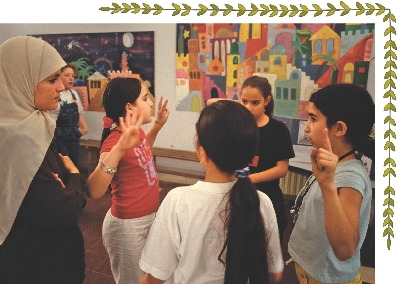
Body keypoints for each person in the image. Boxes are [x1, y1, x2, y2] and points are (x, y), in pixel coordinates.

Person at [139, 100, 284, 284]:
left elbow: (155, 277)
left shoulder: (178, 201)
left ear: (202, 153)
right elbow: (275, 273)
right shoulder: (261, 202)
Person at [0, 36, 87, 283]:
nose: (61, 87)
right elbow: (64, 210)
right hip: (36, 263)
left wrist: (64, 188)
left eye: (61, 77)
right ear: (21, 81)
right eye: (52, 79)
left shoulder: (36, 125)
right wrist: (74, 178)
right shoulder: (20, 139)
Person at [85, 77, 170, 284]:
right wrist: (120, 148)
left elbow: (141, 149)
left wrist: (157, 125)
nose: (150, 102)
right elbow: (93, 190)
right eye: (145, 98)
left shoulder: (136, 132)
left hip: (148, 217)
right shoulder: (115, 141)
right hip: (127, 226)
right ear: (129, 106)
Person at [288, 83, 375, 283]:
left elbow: (345, 249)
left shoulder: (350, 176)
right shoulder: (334, 162)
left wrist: (327, 186)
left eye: (313, 118)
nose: (307, 127)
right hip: (312, 270)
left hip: (326, 277)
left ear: (339, 128)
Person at [208, 75, 295, 243]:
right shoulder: (238, 125)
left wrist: (248, 179)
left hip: (267, 196)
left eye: (255, 103)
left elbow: (282, 169)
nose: (249, 108)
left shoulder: (278, 130)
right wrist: (242, 105)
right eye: (244, 101)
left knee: (267, 246)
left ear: (267, 100)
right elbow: (212, 103)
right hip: (239, 197)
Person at [49, 63, 89, 165]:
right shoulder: (55, 94)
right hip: (59, 140)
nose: (71, 79)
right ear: (58, 77)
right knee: (63, 165)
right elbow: (50, 119)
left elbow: (78, 114)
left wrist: (84, 129)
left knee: (75, 163)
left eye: (73, 76)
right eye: (67, 75)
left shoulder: (74, 94)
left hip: (74, 138)